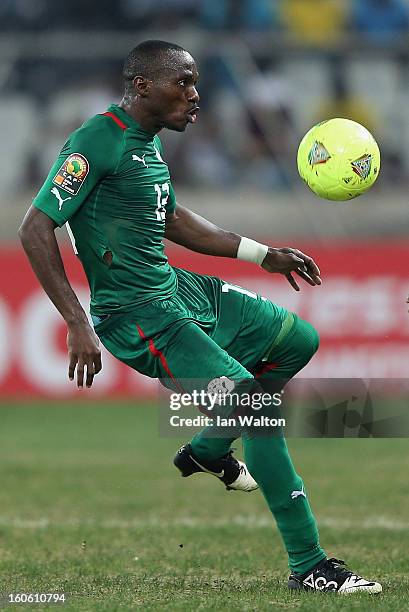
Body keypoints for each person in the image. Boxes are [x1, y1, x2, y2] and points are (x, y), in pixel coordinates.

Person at [19, 40, 381, 594]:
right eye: (183, 83)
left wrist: (262, 254)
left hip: (180, 291)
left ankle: (210, 448)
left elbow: (172, 219)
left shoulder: (147, 145)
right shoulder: (98, 139)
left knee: (296, 341)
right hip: (137, 315)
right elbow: (35, 227)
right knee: (252, 407)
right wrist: (76, 322)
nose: (195, 95)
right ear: (143, 86)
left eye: (194, 83)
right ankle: (310, 564)